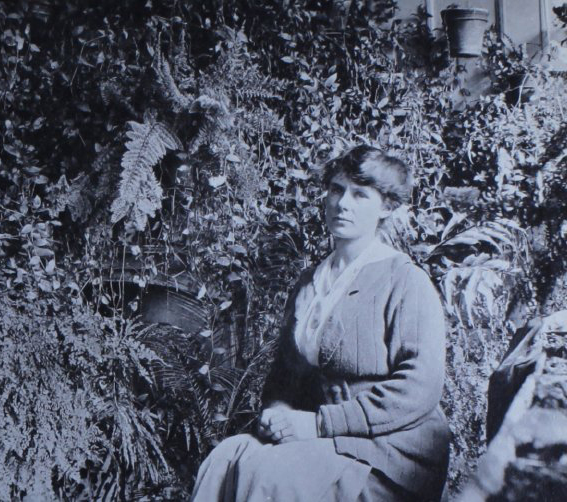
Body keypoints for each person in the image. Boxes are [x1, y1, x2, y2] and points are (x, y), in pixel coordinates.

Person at [191, 146, 451, 501]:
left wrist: (319, 424)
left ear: (386, 207)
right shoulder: (310, 282)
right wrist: (278, 410)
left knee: (270, 473)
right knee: (226, 459)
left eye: (360, 195)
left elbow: (420, 388)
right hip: (323, 440)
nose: (343, 203)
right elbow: (284, 376)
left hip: (390, 451)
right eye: (337, 189)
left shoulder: (405, 281)